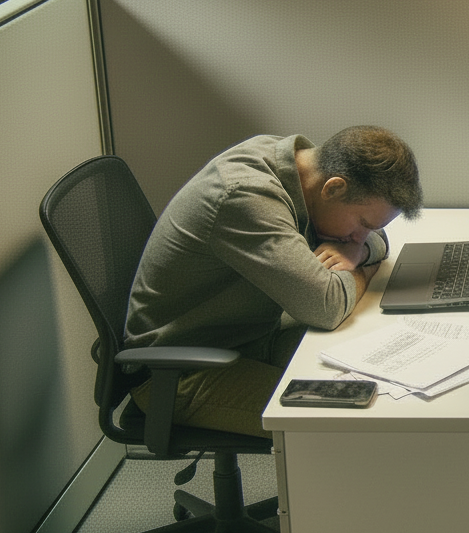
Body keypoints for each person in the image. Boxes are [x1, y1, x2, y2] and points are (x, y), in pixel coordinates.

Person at [124, 126, 423, 437]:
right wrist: (365, 269)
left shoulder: (303, 167)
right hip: (179, 371)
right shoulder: (245, 196)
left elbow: (381, 241)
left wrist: (357, 251)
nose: (362, 235)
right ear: (333, 188)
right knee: (345, 423)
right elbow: (326, 305)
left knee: (383, 382)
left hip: (249, 333)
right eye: (362, 223)